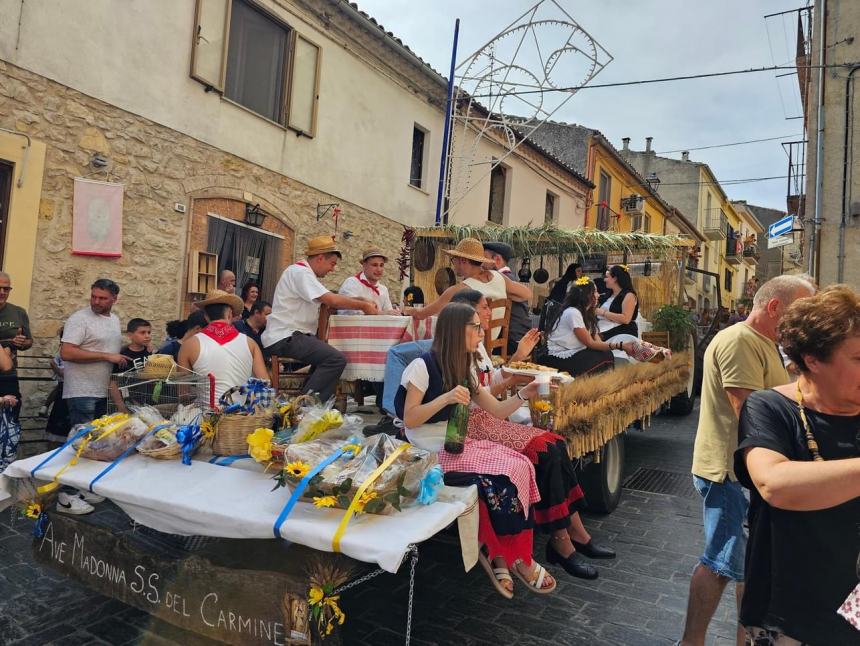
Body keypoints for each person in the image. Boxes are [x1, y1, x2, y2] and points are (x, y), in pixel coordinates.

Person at [679, 275, 816, 646]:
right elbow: (750, 416)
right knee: (721, 564)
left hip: (743, 474)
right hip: (729, 472)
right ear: (775, 308)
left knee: (744, 570)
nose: (803, 321)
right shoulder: (741, 341)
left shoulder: (766, 343)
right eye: (799, 312)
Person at [450, 290, 615, 580]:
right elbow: (482, 398)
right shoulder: (461, 353)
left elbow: (490, 386)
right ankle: (563, 541)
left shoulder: (477, 349)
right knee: (546, 449)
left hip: (491, 417)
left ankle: (576, 535)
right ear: (465, 318)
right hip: (479, 425)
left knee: (555, 444)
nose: (489, 312)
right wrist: (516, 377)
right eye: (484, 308)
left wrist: (516, 363)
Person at [396, 302, 556, 596]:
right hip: (429, 449)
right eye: (476, 327)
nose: (482, 332)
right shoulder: (422, 366)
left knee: (521, 464)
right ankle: (514, 558)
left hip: (458, 441)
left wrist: (524, 393)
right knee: (499, 481)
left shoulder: (465, 367)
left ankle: (513, 553)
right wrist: (444, 399)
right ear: (457, 331)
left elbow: (495, 410)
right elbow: (410, 419)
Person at [734, 285, 860, 645]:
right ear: (813, 358)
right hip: (788, 611)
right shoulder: (769, 408)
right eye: (859, 358)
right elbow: (776, 484)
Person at [262, 236, 379, 402]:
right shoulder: (300, 273)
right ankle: (305, 406)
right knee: (336, 359)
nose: (332, 269)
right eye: (332, 264)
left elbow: (328, 300)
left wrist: (361, 301)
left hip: (292, 336)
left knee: (328, 354)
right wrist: (363, 306)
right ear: (320, 258)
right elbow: (330, 300)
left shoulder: (304, 274)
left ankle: (311, 402)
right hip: (285, 336)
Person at [59, 278, 127, 515]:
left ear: (114, 299)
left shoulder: (115, 320)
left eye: (103, 298)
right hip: (81, 391)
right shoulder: (79, 319)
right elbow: (66, 351)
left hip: (100, 391)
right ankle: (65, 495)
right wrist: (107, 357)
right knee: (79, 443)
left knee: (95, 445)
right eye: (94, 296)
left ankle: (83, 487)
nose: (96, 301)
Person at [403, 238, 532, 341]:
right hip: (494, 341)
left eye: (454, 260)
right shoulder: (500, 277)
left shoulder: (460, 289)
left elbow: (423, 314)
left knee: (416, 347)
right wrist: (502, 295)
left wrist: (407, 309)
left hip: (471, 342)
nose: (454, 265)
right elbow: (527, 294)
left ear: (463, 261)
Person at [178, 290, 268, 402]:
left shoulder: (189, 345)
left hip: (206, 416)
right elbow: (265, 384)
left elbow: (183, 393)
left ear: (206, 317)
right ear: (230, 314)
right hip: (242, 415)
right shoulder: (250, 343)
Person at [542, 277, 635, 377]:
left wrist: (623, 347)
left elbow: (598, 343)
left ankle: (602, 386)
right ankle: (590, 386)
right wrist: (621, 346)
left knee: (606, 354)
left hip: (574, 353)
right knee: (604, 357)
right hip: (557, 358)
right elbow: (590, 343)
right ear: (586, 295)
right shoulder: (573, 313)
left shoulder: (586, 314)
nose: (598, 295)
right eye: (595, 292)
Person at [482, 241, 535, 355]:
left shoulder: (498, 280)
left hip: (510, 343)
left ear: (497, 260)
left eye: (483, 258)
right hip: (521, 338)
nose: (480, 263)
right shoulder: (511, 278)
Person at [0, 272, 32, 425]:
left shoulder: (18, 312)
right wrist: (8, 343)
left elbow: (29, 341)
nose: (2, 292)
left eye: (6, 289)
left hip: (8, 376)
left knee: (10, 422)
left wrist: (21, 342)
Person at [109, 318, 153, 413]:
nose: (147, 336)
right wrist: (121, 406)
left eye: (149, 332)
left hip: (149, 402)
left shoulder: (149, 351)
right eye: (142, 333)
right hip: (129, 402)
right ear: (130, 335)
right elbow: (114, 383)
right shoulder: (123, 355)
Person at [338, 248, 398, 315]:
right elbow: (351, 311)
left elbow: (389, 313)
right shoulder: (352, 283)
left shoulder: (383, 289)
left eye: (381, 265)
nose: (379, 269)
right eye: (374, 265)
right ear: (364, 265)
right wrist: (381, 313)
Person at [595, 264, 639, 340]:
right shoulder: (608, 294)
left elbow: (626, 319)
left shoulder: (629, 295)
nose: (604, 280)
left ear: (615, 278)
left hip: (620, 333)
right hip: (603, 328)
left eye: (607, 277)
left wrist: (603, 313)